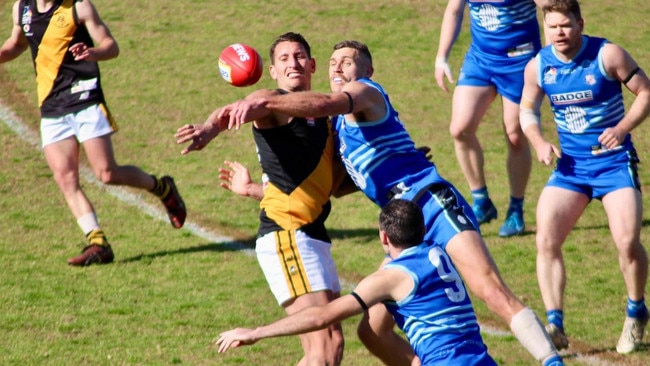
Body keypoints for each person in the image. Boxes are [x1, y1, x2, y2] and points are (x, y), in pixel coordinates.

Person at [208, 40, 563, 366]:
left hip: (430, 203)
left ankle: (552, 361)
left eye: (348, 62)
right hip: (402, 227)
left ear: (367, 71)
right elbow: (325, 188)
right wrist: (256, 189)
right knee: (370, 331)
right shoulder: (338, 132)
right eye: (334, 63)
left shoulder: (365, 93)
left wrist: (266, 101)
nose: (338, 68)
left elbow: (325, 102)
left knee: (491, 291)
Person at [176, 32, 344, 365]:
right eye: (284, 58)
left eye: (298, 57)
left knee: (330, 345)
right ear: (273, 71)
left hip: (313, 235)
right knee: (323, 345)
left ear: (311, 65)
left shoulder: (325, 115)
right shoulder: (272, 101)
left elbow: (334, 186)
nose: (292, 63)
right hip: (287, 235)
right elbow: (242, 108)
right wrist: (207, 131)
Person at [0, 0, 186, 266]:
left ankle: (163, 188)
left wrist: (93, 52)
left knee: (106, 173)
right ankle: (98, 242)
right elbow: (16, 44)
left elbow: (111, 46)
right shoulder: (21, 9)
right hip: (51, 107)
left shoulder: (79, 7)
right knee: (65, 179)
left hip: (85, 100)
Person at [217, 199, 501, 365]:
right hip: (480, 358)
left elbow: (322, 316)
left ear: (384, 237)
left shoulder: (391, 277)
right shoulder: (438, 250)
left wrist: (257, 332)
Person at [519, 0, 650, 354]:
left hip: (613, 163)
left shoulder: (607, 55)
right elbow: (527, 108)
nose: (559, 33)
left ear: (580, 23)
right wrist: (539, 141)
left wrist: (622, 128)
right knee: (546, 238)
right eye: (552, 27)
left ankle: (636, 311)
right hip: (571, 168)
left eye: (565, 25)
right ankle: (555, 324)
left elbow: (646, 92)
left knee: (626, 242)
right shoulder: (539, 65)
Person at [434, 0, 548, 237]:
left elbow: (551, 8)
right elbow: (454, 10)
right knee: (460, 129)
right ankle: (482, 202)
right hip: (481, 59)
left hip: (521, 60)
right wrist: (441, 56)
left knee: (515, 134)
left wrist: (550, 57)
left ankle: (516, 209)